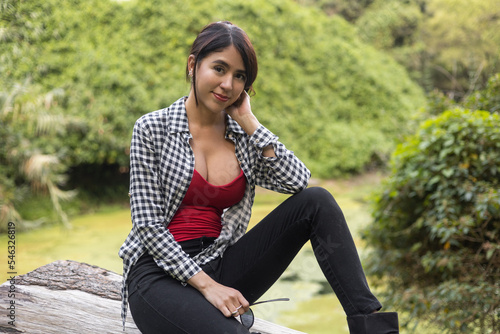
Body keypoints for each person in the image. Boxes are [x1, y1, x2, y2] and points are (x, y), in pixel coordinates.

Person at [119, 21, 399, 334]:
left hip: (219, 258)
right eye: (220, 68)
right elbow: (148, 226)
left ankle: (374, 328)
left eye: (240, 76)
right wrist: (207, 286)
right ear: (193, 64)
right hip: (157, 274)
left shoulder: (242, 137)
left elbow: (296, 182)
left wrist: (250, 123)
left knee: (318, 201)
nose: (228, 84)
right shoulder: (151, 129)